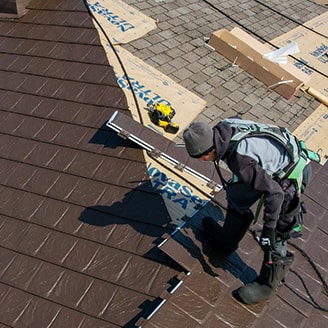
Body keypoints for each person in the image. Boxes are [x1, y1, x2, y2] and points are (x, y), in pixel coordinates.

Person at [183, 117, 315, 304]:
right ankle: (226, 241)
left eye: (200, 158)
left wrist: (268, 229)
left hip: (289, 175)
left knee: (279, 231)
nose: (201, 161)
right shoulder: (224, 128)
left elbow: (275, 194)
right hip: (265, 168)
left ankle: (267, 285)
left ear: (209, 150)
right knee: (236, 194)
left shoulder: (240, 159)